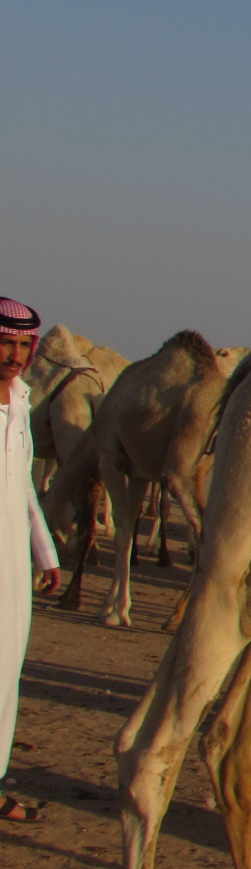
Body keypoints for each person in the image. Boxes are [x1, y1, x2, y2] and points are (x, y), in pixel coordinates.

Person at [1, 297, 62, 824]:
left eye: (23, 345)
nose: (14, 355)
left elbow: (23, 486)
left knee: (6, 672)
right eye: (6, 343)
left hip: (12, 567)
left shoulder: (21, 401)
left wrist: (45, 553)